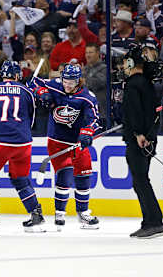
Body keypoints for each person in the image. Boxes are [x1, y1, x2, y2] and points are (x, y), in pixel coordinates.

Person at [0, 61, 45, 234]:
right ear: (18, 76)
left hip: (0, 142)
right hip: (23, 143)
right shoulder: (27, 92)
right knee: (20, 180)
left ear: (1, 75)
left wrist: (0, 128)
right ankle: (36, 215)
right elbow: (31, 120)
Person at [29, 64, 101, 230]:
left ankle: (83, 213)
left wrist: (87, 132)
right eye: (65, 81)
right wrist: (42, 93)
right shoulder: (55, 85)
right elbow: (32, 83)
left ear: (79, 80)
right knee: (65, 174)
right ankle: (59, 213)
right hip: (57, 141)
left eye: (72, 82)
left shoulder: (87, 97)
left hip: (77, 143)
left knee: (84, 175)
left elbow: (93, 119)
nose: (67, 85)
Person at [121, 45, 163, 239]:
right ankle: (151, 220)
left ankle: (154, 222)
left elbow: (134, 112)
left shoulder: (133, 83)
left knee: (140, 181)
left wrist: (139, 134)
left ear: (131, 63)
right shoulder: (146, 83)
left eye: (124, 62)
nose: (123, 66)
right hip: (147, 138)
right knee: (140, 181)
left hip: (139, 140)